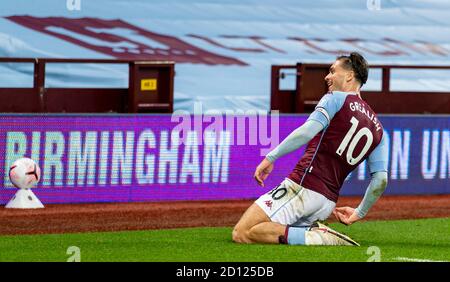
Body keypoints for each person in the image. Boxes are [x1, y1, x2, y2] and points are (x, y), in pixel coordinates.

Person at [232, 52, 388, 246]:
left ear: (349, 76)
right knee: (277, 235)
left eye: (332, 71)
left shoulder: (335, 99)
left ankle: (317, 237)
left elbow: (306, 132)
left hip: (304, 186)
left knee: (243, 232)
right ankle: (311, 232)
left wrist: (271, 157)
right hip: (327, 202)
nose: (327, 76)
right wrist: (360, 212)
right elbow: (381, 179)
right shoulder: (378, 129)